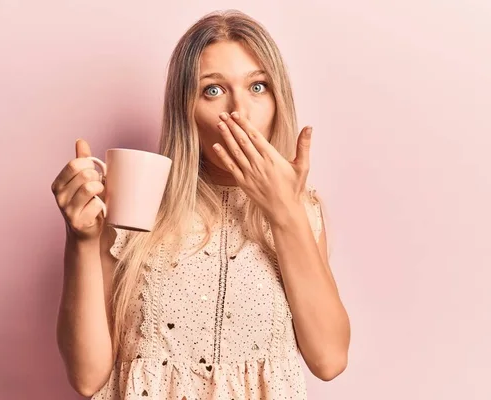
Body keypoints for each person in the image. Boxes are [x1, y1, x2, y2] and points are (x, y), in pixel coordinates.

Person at [52, 9, 350, 400]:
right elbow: (87, 378)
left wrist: (285, 212)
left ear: (279, 99)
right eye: (213, 90)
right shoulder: (135, 201)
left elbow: (329, 359)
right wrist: (82, 240)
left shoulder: (302, 212)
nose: (239, 112)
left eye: (257, 87)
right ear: (185, 110)